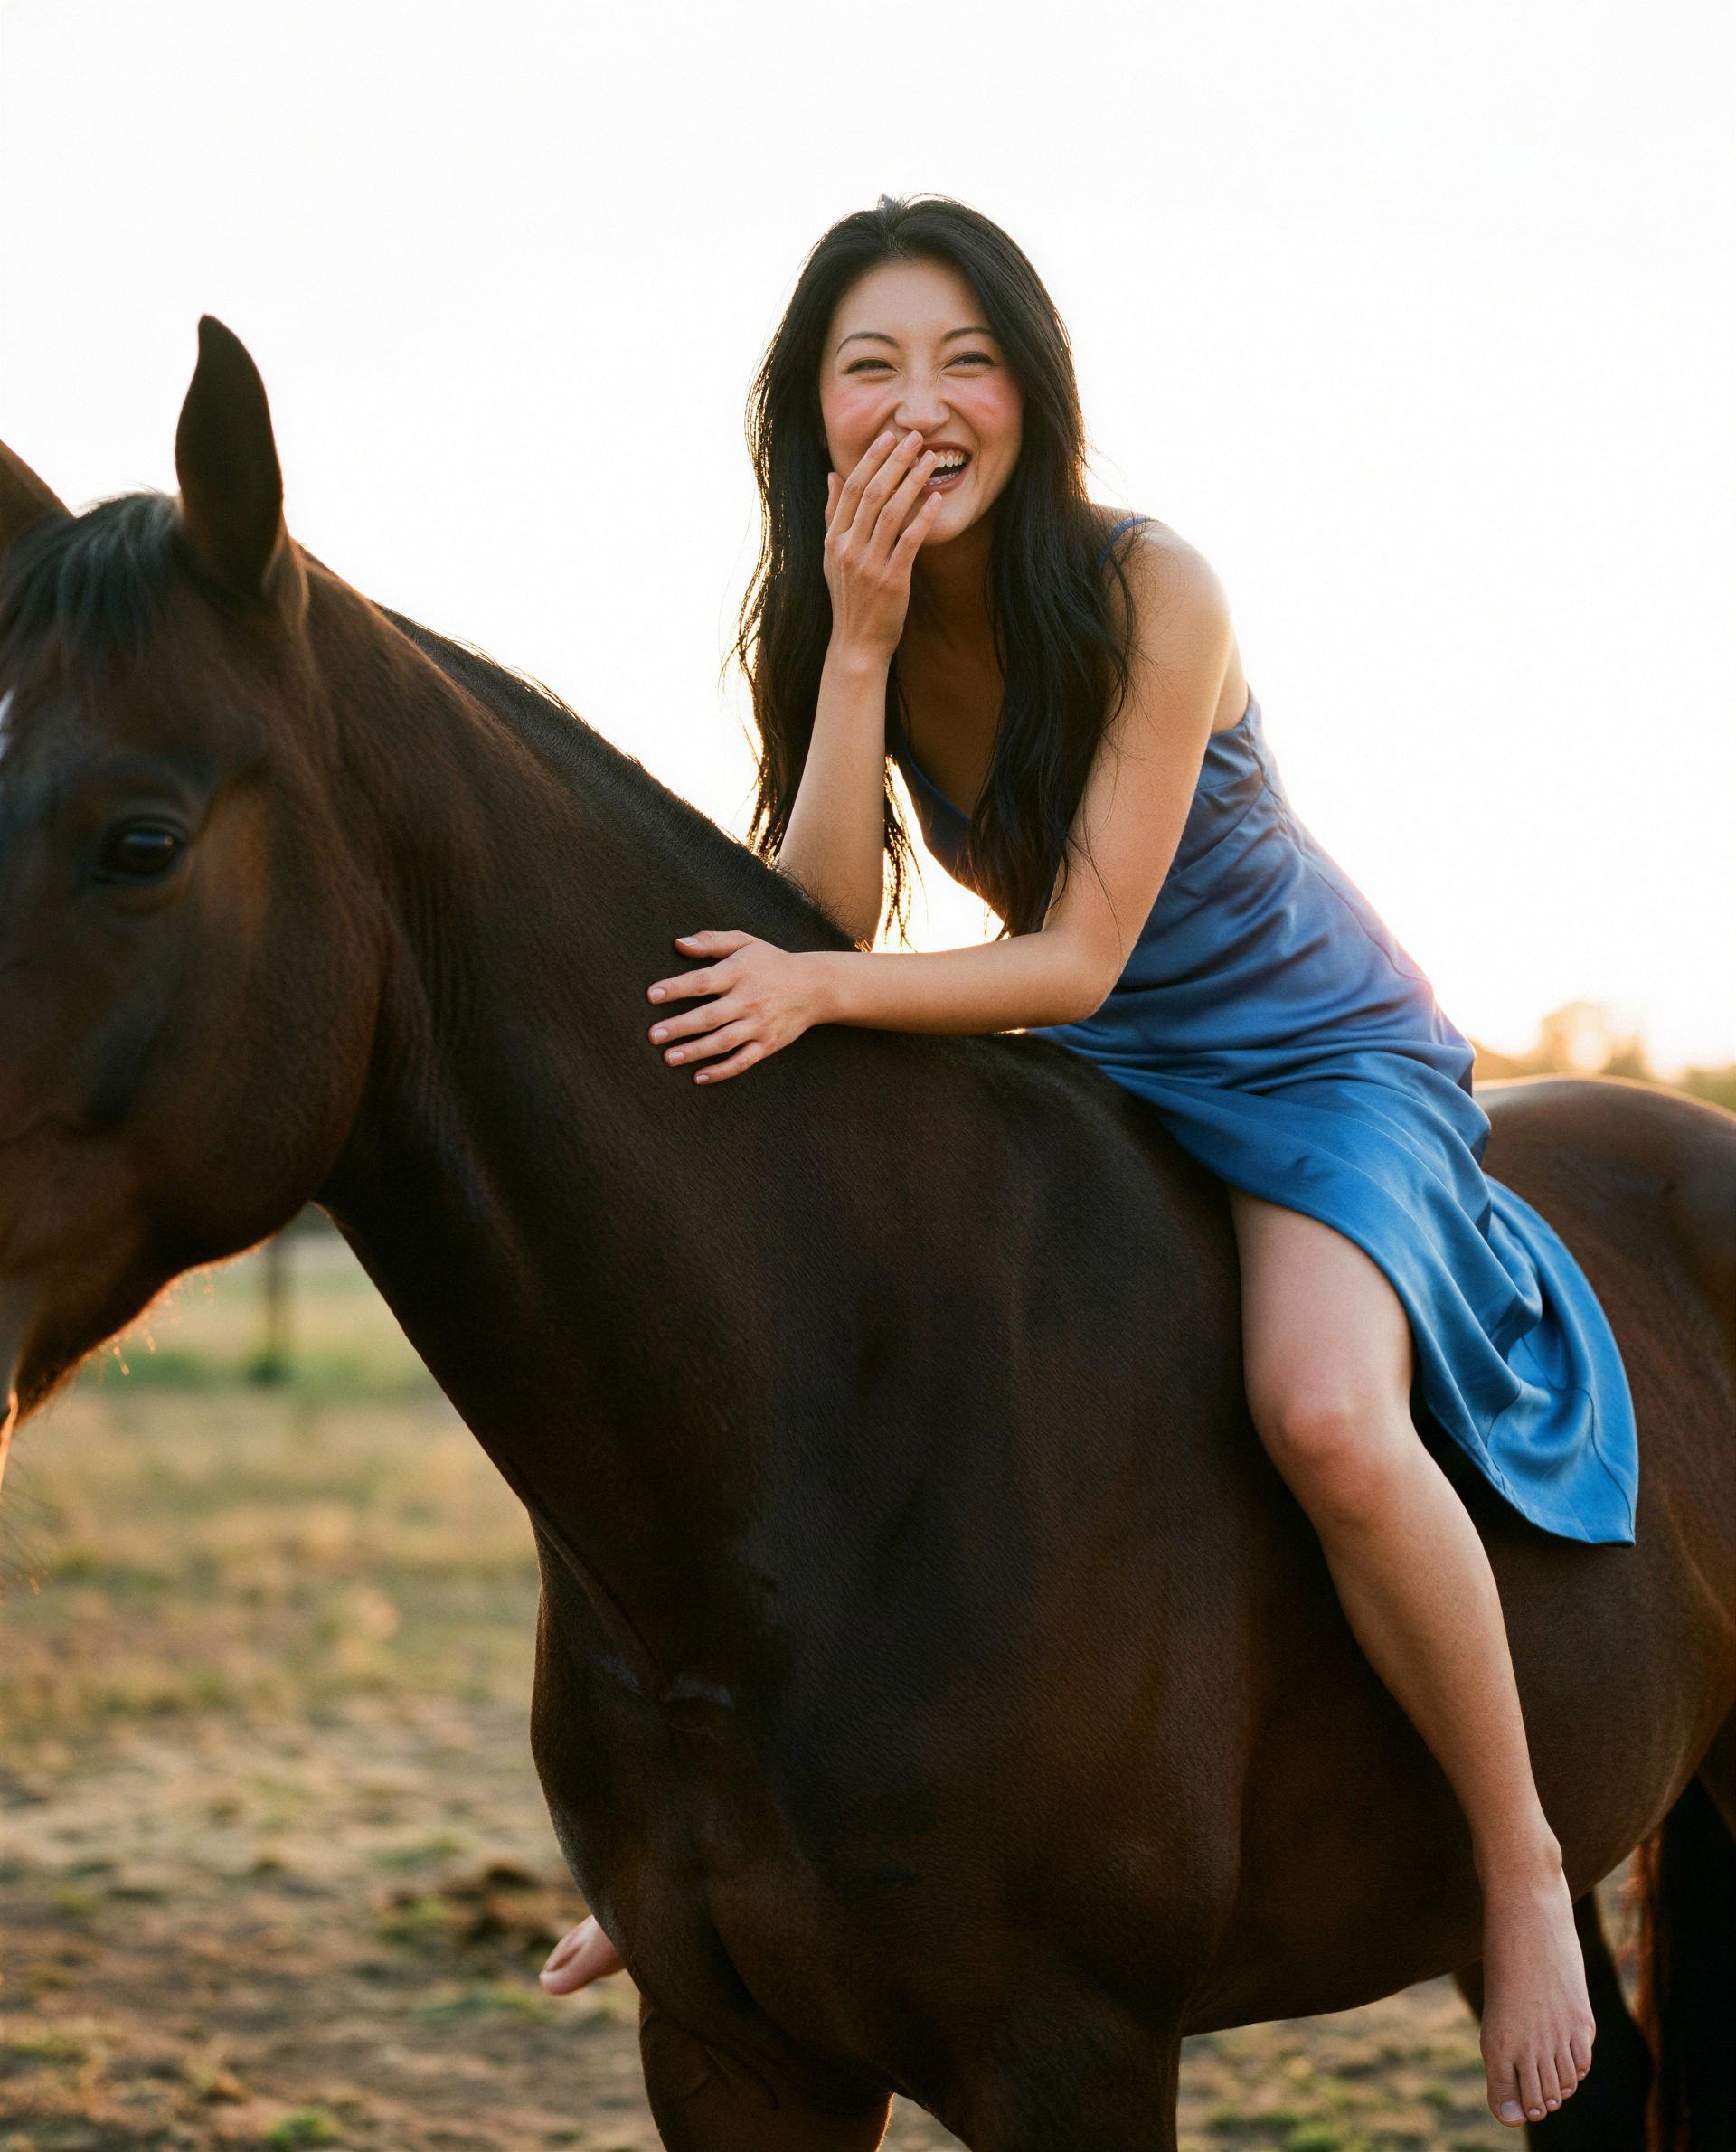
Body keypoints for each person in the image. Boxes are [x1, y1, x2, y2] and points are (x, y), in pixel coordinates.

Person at [540, 193, 1637, 2133]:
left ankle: (1524, 1869)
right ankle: (732, 1830)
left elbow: (1072, 951)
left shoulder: (1153, 584)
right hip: (1106, 1056)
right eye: (868, 367)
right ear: (809, 415)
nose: (921, 404)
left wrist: (824, 985)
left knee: (1319, 1409)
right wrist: (857, 649)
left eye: (965, 359)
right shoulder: (831, 608)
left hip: (1310, 1052)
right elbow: (811, 914)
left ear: (1034, 396)